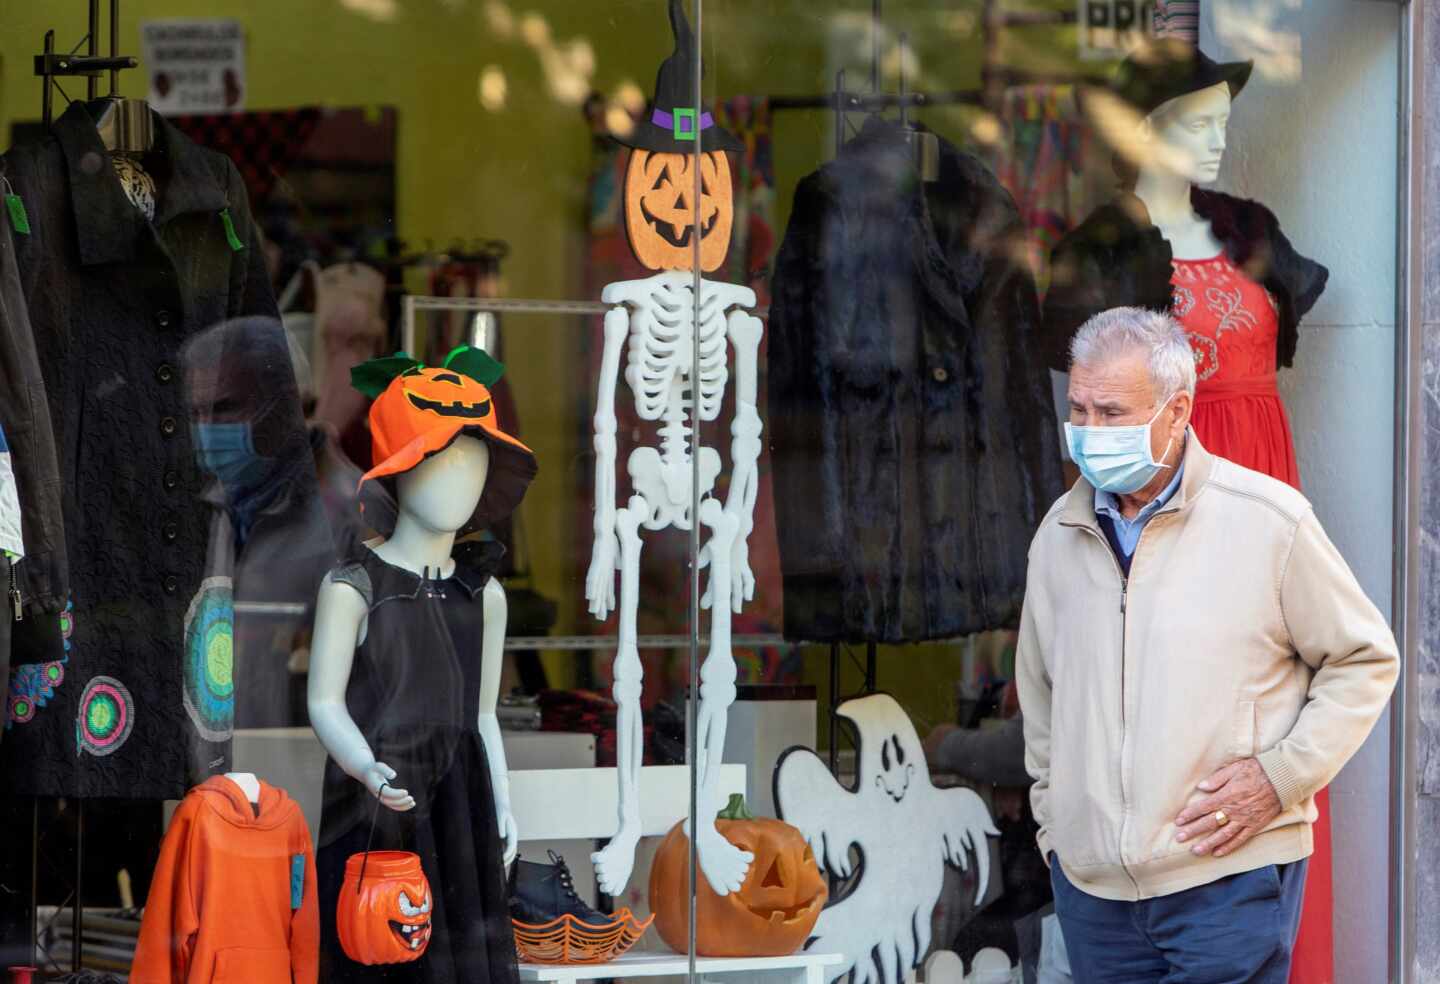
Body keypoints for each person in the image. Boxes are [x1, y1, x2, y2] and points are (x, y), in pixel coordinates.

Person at [1016, 307, 1398, 983]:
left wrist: (1279, 778)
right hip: (1095, 897)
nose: (1089, 432)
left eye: (1111, 412)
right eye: (1078, 410)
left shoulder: (1268, 521)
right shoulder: (1058, 533)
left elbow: (1365, 659)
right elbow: (1042, 693)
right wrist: (1058, 831)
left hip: (1226, 884)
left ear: (1177, 411)